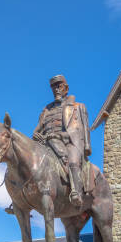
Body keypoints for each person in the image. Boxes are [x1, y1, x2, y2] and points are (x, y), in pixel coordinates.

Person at [33, 75, 91, 207]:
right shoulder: (46, 110)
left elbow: (83, 129)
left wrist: (87, 146)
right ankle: (21, 197)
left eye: (59, 86)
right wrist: (36, 135)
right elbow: (38, 128)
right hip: (47, 141)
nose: (56, 89)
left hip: (70, 142)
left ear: (66, 88)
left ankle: (77, 193)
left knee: (73, 162)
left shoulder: (78, 106)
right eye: (53, 87)